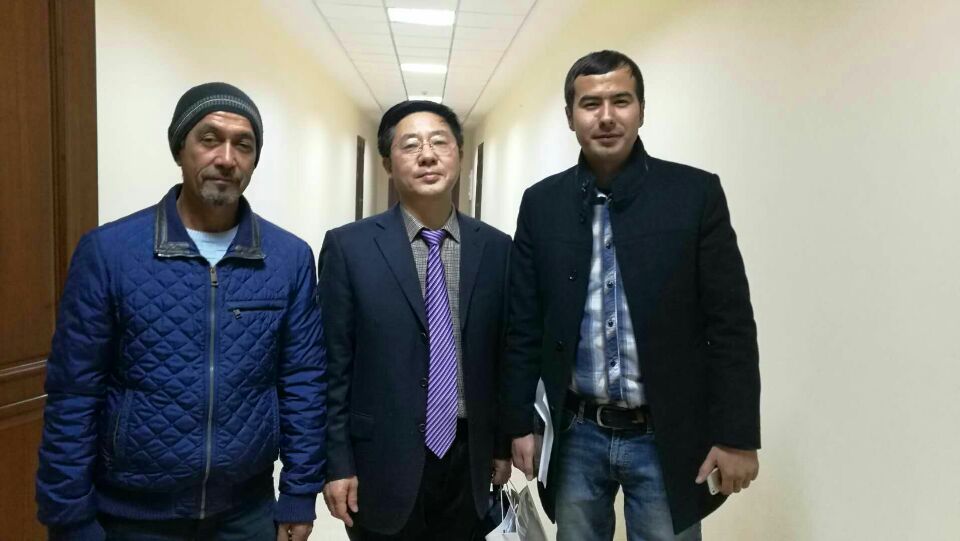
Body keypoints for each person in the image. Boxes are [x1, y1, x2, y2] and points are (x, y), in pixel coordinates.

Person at [35, 82, 326, 541]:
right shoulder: (109, 253)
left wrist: (299, 491)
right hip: (130, 515)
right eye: (209, 139)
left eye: (243, 145)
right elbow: (74, 392)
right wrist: (68, 515)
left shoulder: (288, 258)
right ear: (179, 149)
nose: (226, 158)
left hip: (245, 513)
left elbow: (303, 382)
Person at [503, 50, 761, 540]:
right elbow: (524, 325)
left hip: (666, 434)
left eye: (621, 101)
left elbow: (730, 324)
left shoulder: (694, 195)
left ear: (642, 110)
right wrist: (519, 423)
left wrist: (737, 435)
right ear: (570, 116)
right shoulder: (542, 204)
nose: (606, 117)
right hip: (576, 431)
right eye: (590, 104)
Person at [318, 100, 512, 540]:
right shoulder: (350, 248)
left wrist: (501, 443)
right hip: (380, 459)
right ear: (388, 163)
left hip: (468, 459)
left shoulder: (497, 249)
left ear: (459, 155)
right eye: (410, 145)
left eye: (440, 142)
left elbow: (502, 355)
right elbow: (332, 365)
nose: (427, 155)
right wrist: (337, 463)